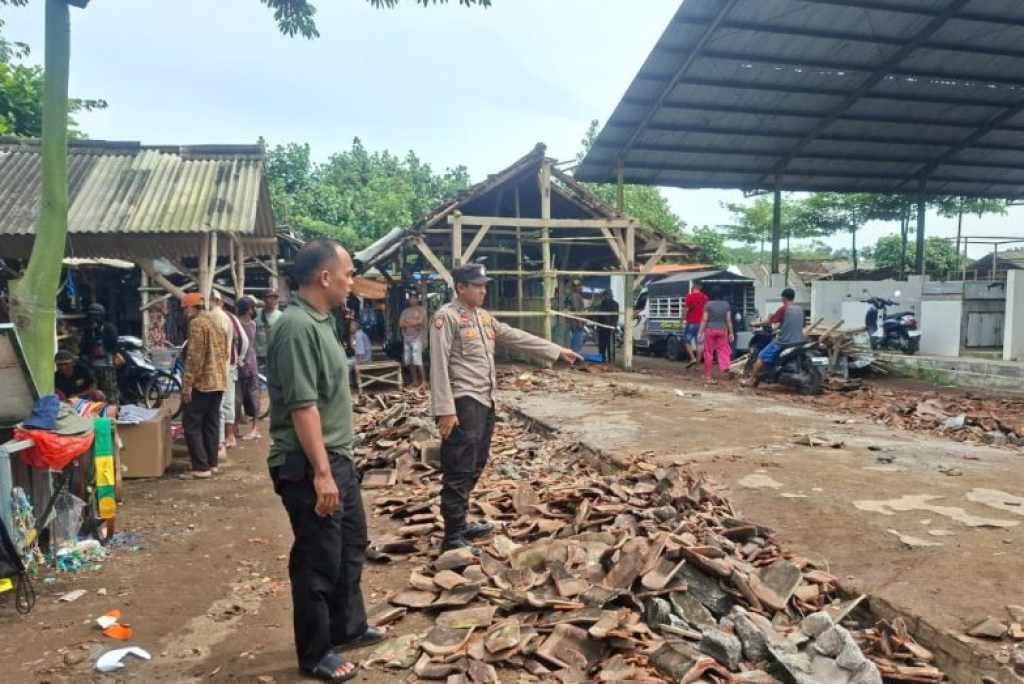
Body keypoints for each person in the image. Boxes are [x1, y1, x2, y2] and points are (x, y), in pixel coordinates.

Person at [267, 238, 383, 682]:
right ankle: (315, 653)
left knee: (351, 544)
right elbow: (302, 407)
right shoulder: (296, 327)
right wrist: (320, 473)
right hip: (307, 463)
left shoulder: (324, 321)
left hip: (337, 458)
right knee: (318, 559)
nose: (353, 282)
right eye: (349, 273)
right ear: (325, 277)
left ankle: (347, 628)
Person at [430, 263, 582, 554]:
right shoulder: (446, 318)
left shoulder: (484, 318)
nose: (484, 290)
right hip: (463, 402)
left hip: (486, 400)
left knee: (475, 464)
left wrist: (555, 350)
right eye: (477, 285)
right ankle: (451, 538)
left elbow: (515, 336)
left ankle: (459, 524)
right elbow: (438, 365)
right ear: (461, 287)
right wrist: (444, 410)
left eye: (484, 285)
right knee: (458, 468)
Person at [180, 293, 229, 479]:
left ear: (191, 308)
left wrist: (187, 384)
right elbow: (225, 352)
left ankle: (201, 467)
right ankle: (212, 463)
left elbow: (194, 356)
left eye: (184, 308)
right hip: (218, 381)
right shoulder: (215, 322)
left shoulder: (196, 324)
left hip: (202, 382)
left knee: (191, 423)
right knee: (211, 422)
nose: (184, 313)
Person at [745, 287, 806, 388]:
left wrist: (756, 324)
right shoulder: (799, 309)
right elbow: (798, 324)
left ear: (784, 298)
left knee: (761, 356)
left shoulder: (784, 309)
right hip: (799, 340)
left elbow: (769, 321)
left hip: (784, 341)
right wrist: (781, 327)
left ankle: (750, 380)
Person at [209, 291, 247, 454]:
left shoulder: (220, 317)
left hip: (224, 366)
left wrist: (240, 358)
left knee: (222, 403)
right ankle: (228, 437)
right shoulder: (228, 317)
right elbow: (243, 340)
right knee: (228, 402)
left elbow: (244, 341)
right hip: (229, 364)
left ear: (218, 301)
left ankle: (224, 440)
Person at [80, 303, 119, 404]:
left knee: (110, 392)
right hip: (92, 366)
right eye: (92, 315)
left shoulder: (108, 328)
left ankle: (112, 413)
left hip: (106, 365)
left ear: (102, 316)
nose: (94, 318)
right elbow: (83, 348)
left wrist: (99, 333)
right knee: (93, 393)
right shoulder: (88, 330)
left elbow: (113, 344)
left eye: (97, 315)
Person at [236, 297, 262, 441]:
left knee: (254, 397)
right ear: (248, 308)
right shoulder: (236, 324)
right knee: (237, 399)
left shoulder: (253, 324)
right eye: (253, 307)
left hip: (252, 364)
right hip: (239, 364)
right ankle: (234, 428)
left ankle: (255, 428)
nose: (255, 310)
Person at [697, 286, 733, 384]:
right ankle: (726, 370)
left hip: (710, 330)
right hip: (722, 330)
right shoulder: (726, 304)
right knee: (723, 351)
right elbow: (728, 320)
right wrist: (731, 333)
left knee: (708, 352)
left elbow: (704, 319)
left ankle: (708, 375)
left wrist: (700, 332)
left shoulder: (708, 304)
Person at [399, 291, 427, 387]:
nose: (413, 300)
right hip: (407, 338)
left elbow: (420, 321)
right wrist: (414, 323)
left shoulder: (421, 310)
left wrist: (407, 321)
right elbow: (400, 324)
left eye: (415, 298)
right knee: (409, 361)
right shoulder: (405, 311)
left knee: (418, 360)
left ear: (418, 299)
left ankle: (424, 381)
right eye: (411, 298)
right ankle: (414, 380)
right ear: (409, 299)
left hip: (417, 338)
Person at [682, 281, 708, 368]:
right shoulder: (705, 298)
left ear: (693, 288)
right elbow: (706, 311)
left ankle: (692, 358)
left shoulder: (689, 296)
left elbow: (686, 309)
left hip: (691, 323)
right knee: (699, 344)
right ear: (700, 288)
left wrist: (683, 320)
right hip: (702, 324)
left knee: (686, 340)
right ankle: (697, 365)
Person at [254, 290, 282, 369]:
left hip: (274, 355)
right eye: (270, 298)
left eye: (275, 298)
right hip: (259, 355)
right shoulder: (256, 314)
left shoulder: (281, 316)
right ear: (264, 299)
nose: (273, 301)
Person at [595, 290, 619, 363]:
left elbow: (615, 317)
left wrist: (613, 326)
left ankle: (611, 360)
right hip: (602, 327)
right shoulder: (602, 303)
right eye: (605, 295)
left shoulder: (614, 304)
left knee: (610, 345)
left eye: (608, 295)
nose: (606, 297)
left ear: (611, 295)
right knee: (602, 345)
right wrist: (598, 326)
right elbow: (599, 315)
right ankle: (602, 359)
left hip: (610, 328)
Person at [567, 279, 586, 354]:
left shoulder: (577, 295)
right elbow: (576, 309)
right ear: (573, 287)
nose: (579, 287)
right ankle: (575, 357)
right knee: (577, 340)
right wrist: (580, 321)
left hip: (576, 321)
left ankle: (575, 357)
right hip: (576, 322)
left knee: (577, 339)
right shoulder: (574, 295)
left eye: (579, 286)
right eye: (576, 286)